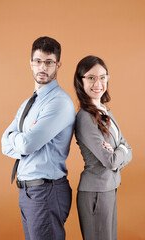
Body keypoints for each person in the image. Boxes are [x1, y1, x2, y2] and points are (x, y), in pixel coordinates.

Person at [1, 36, 75, 240]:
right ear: (31, 63)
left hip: (46, 192)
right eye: (38, 61)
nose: (43, 67)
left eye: (49, 62)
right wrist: (22, 138)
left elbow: (27, 144)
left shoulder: (59, 102)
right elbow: (4, 144)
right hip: (28, 193)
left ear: (58, 64)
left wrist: (20, 137)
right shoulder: (29, 103)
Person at [74, 55, 132, 240]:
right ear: (81, 80)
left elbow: (128, 149)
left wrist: (120, 152)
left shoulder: (105, 111)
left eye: (102, 77)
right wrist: (120, 152)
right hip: (95, 193)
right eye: (91, 77)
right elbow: (110, 160)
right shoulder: (85, 117)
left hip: (109, 188)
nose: (97, 83)